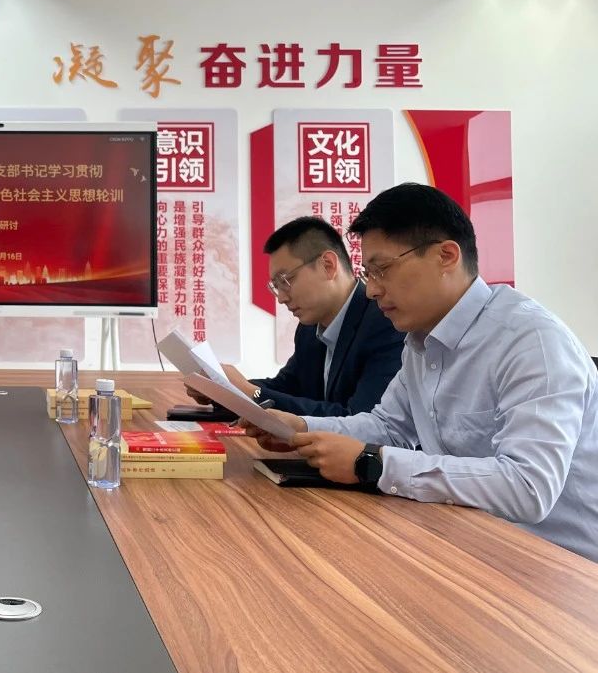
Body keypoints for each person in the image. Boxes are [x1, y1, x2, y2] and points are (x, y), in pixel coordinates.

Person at [244, 183, 598, 562]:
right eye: (368, 273)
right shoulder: (420, 341)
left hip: (563, 569)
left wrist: (374, 464)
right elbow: (388, 427)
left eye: (382, 270)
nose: (371, 291)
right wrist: (301, 429)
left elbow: (529, 488)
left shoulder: (530, 341)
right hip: (471, 543)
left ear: (446, 256)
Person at [187, 216, 404, 416]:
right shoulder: (309, 329)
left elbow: (358, 418)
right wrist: (224, 389)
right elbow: (286, 387)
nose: (281, 298)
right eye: (276, 286)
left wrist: (250, 393)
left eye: (285, 281)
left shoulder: (384, 322)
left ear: (328, 265)